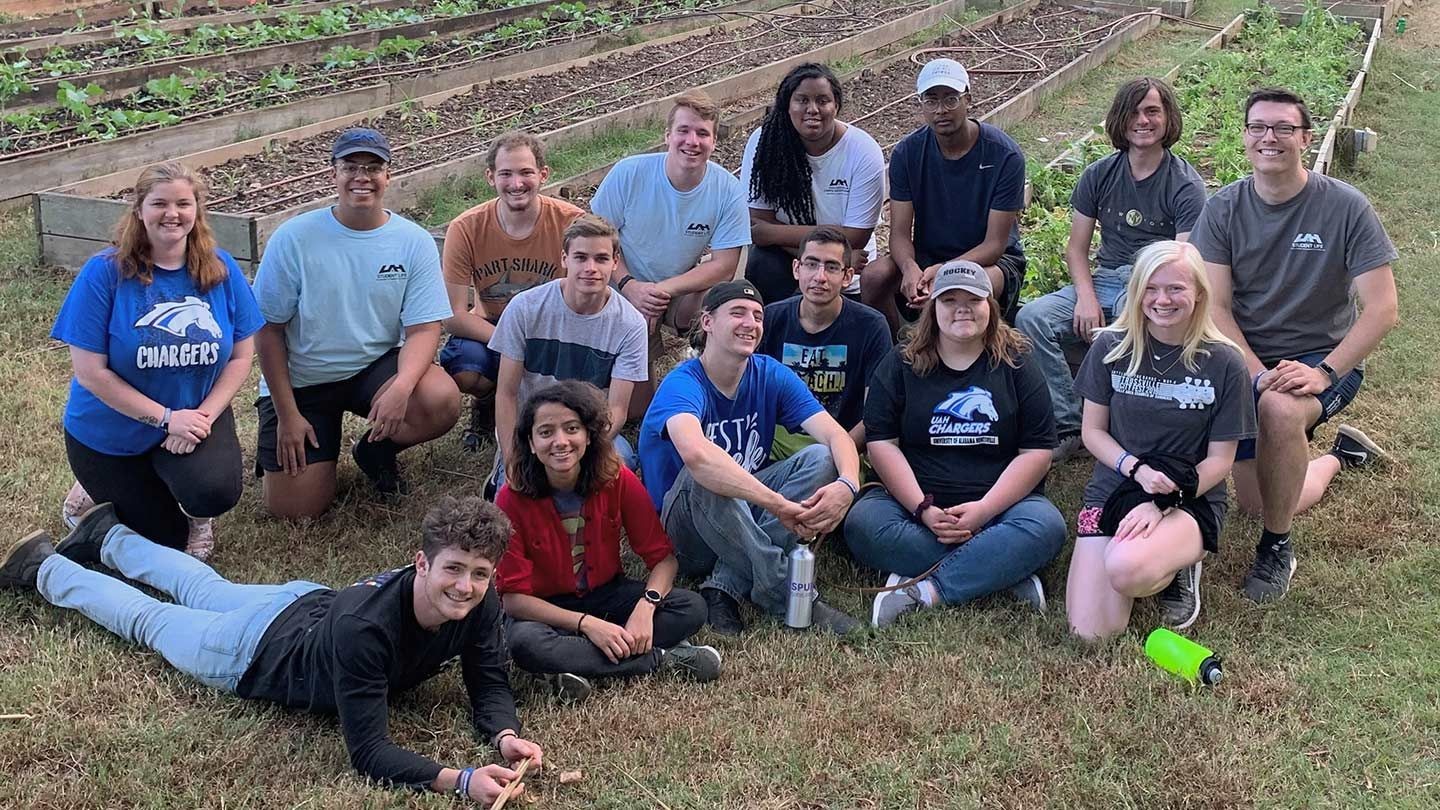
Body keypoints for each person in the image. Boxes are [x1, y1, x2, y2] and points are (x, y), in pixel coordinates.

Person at [0, 496, 544, 805]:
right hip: (253, 652)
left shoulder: (482, 600)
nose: (466, 587)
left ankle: (107, 537)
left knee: (204, 588)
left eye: (479, 574)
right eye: (453, 569)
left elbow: (487, 676)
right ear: (421, 563)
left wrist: (505, 735)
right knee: (152, 619)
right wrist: (461, 779)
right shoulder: (368, 631)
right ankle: (45, 567)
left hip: (299, 602)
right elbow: (369, 753)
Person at [1191, 88, 1399, 603]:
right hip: (1244, 357)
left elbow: (1383, 309)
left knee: (1280, 412)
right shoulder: (1223, 209)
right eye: (1258, 126)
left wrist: (1325, 372)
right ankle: (1337, 457)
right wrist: (1257, 372)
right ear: (1244, 137)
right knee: (1254, 502)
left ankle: (1277, 546)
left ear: (1305, 138)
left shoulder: (1345, 207)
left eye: (1284, 127)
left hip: (1321, 357)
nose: (1270, 137)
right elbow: (1214, 309)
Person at [51, 161, 263, 560]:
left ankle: (195, 511)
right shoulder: (105, 273)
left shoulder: (219, 267)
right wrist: (167, 418)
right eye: (160, 203)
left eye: (184, 203)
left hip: (193, 414)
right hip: (110, 431)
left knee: (213, 491)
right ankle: (90, 488)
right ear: (139, 210)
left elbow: (240, 354)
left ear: (197, 210)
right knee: (164, 538)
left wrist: (200, 418)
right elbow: (91, 374)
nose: (173, 214)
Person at [844, 260, 1065, 628]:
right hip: (913, 509)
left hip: (1000, 509)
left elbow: (1037, 452)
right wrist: (923, 509)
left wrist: (982, 511)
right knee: (862, 522)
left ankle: (925, 591)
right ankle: (1000, 569)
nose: (962, 308)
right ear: (933, 310)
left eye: (973, 300)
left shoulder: (1018, 364)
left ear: (989, 308)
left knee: (1047, 526)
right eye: (949, 301)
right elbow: (881, 443)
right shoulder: (901, 364)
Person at [253, 128, 460, 517]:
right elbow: (268, 331)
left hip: (371, 368)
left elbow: (423, 328)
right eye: (350, 166)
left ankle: (375, 449)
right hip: (304, 381)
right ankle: (283, 453)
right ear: (333, 173)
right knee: (296, 512)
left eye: (373, 167)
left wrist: (402, 386)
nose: (362, 177)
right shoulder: (294, 238)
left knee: (440, 399)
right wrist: (286, 414)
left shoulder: (412, 241)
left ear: (388, 175)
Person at [638, 280, 864, 636]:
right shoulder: (683, 383)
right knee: (708, 471)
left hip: (743, 517)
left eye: (758, 316)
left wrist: (847, 485)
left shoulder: (769, 373)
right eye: (738, 313)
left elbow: (835, 435)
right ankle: (784, 591)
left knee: (821, 458)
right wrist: (777, 505)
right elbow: (697, 456)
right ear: (708, 322)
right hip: (687, 534)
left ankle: (724, 585)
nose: (751, 323)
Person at [1063, 241, 1255, 639]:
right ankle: (1148, 552)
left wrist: (1165, 501)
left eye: (1175, 288)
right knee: (1091, 632)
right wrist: (1135, 469)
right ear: (1136, 292)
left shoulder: (1224, 362)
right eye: (1151, 288)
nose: (1161, 299)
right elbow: (1092, 432)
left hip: (1189, 493)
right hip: (1114, 487)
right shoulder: (1111, 347)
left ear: (1199, 293)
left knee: (1126, 568)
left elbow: (1220, 461)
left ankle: (1181, 559)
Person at [1016, 77, 1207, 462]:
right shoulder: (1099, 174)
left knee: (1132, 324)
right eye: (1134, 112)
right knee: (1032, 316)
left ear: (1169, 119)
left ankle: (1127, 425)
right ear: (1119, 120)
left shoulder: (1185, 185)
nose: (1143, 120)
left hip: (1152, 284)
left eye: (1153, 111)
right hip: (1104, 278)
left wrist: (1140, 298)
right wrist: (1085, 297)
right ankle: (1072, 425)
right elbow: (1076, 248)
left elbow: (1180, 261)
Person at [495, 381, 720, 702]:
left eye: (571, 428)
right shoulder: (510, 498)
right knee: (524, 643)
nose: (560, 441)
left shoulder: (616, 477)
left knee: (692, 608)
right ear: (530, 443)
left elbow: (663, 559)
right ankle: (662, 660)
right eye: (545, 432)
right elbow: (513, 599)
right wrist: (588, 625)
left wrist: (646, 606)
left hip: (608, 596)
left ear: (588, 435)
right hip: (546, 610)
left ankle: (572, 665)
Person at [592, 90, 751, 418]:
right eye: (684, 130)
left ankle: (704, 373)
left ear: (714, 142)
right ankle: (622, 360)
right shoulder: (629, 174)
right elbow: (595, 244)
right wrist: (629, 286)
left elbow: (724, 265)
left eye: (703, 133)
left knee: (719, 297)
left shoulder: (727, 190)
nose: (692, 141)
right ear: (667, 136)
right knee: (637, 411)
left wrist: (660, 291)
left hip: (673, 291)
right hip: (619, 283)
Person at [860, 59, 1027, 336]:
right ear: (921, 104)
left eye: (951, 100)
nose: (941, 110)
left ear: (968, 100)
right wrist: (910, 267)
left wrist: (947, 270)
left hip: (989, 260)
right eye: (931, 100)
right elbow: (900, 234)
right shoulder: (908, 153)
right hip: (929, 256)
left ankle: (975, 353)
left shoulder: (1004, 155)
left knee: (969, 284)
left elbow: (995, 244)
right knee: (875, 276)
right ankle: (895, 350)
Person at [440, 131, 584, 451]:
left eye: (526, 173)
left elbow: (587, 292)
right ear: (491, 177)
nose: (516, 183)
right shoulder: (466, 228)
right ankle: (488, 402)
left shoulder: (571, 223)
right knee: (464, 364)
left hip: (552, 326)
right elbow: (452, 315)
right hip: (492, 326)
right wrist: (513, 342)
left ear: (543, 174)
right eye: (505, 174)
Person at [488, 215, 648, 492]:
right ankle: (499, 477)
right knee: (520, 490)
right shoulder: (525, 308)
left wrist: (578, 452)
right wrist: (513, 456)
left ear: (614, 261)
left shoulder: (630, 324)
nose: (590, 268)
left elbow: (618, 409)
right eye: (580, 257)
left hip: (589, 429)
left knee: (618, 465)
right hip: (534, 425)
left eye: (600, 258)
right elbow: (507, 393)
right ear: (564, 258)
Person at [739, 63, 885, 305]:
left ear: (836, 105)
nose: (813, 109)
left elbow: (856, 237)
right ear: (787, 105)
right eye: (802, 100)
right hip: (808, 258)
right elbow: (756, 224)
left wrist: (773, 233)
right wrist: (824, 261)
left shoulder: (863, 151)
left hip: (849, 272)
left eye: (822, 100)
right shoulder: (764, 144)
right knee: (762, 263)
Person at [756, 225, 891, 459]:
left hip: (843, 444)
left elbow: (875, 411)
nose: (820, 277)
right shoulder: (770, 319)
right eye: (811, 264)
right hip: (775, 444)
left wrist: (841, 452)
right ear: (797, 269)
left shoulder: (871, 326)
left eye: (831, 267)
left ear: (847, 276)